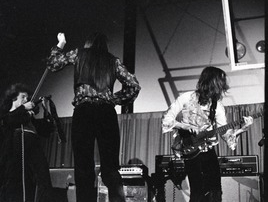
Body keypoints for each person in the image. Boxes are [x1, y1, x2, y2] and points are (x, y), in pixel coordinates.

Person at [46, 32, 141, 202]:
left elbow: (53, 64)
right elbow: (134, 86)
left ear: (88, 43)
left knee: (83, 167)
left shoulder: (79, 54)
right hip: (106, 113)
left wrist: (61, 43)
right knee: (110, 168)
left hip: (84, 112)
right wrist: (114, 99)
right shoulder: (113, 61)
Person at [161, 66, 253, 202]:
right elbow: (167, 119)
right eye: (220, 84)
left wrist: (242, 128)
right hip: (191, 148)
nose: (222, 89)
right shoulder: (186, 98)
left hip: (208, 150)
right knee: (197, 190)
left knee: (215, 189)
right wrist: (185, 126)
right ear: (211, 83)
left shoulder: (217, 106)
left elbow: (225, 133)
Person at [0, 83, 56, 202]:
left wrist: (46, 113)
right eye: (23, 97)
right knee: (15, 179)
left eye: (27, 98)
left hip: (33, 143)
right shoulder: (8, 115)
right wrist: (24, 109)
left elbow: (44, 131)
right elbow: (8, 120)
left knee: (43, 176)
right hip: (17, 144)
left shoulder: (28, 118)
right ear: (14, 98)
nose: (26, 100)